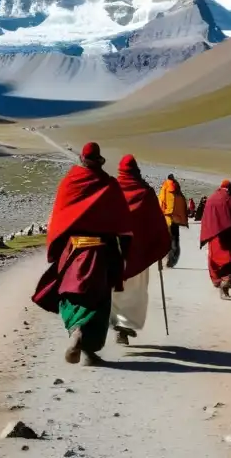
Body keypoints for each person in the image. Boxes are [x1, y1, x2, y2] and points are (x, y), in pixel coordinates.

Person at [32, 142, 133, 366]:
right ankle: (87, 347)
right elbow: (123, 224)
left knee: (69, 295)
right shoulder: (110, 184)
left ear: (82, 159)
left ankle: (76, 332)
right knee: (99, 300)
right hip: (102, 252)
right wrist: (125, 252)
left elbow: (60, 217)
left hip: (74, 251)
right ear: (99, 160)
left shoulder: (70, 182)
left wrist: (56, 251)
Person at [111, 155, 172, 346]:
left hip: (115, 251)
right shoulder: (146, 192)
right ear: (136, 170)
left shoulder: (111, 190)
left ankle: (116, 324)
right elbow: (157, 224)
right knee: (135, 290)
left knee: (115, 289)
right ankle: (124, 325)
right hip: (139, 252)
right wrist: (159, 245)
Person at [158, 174, 188, 267]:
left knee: (167, 238)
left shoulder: (165, 188)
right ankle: (173, 259)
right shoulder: (178, 190)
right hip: (176, 218)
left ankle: (168, 259)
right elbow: (183, 203)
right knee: (175, 239)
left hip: (167, 217)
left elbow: (161, 201)